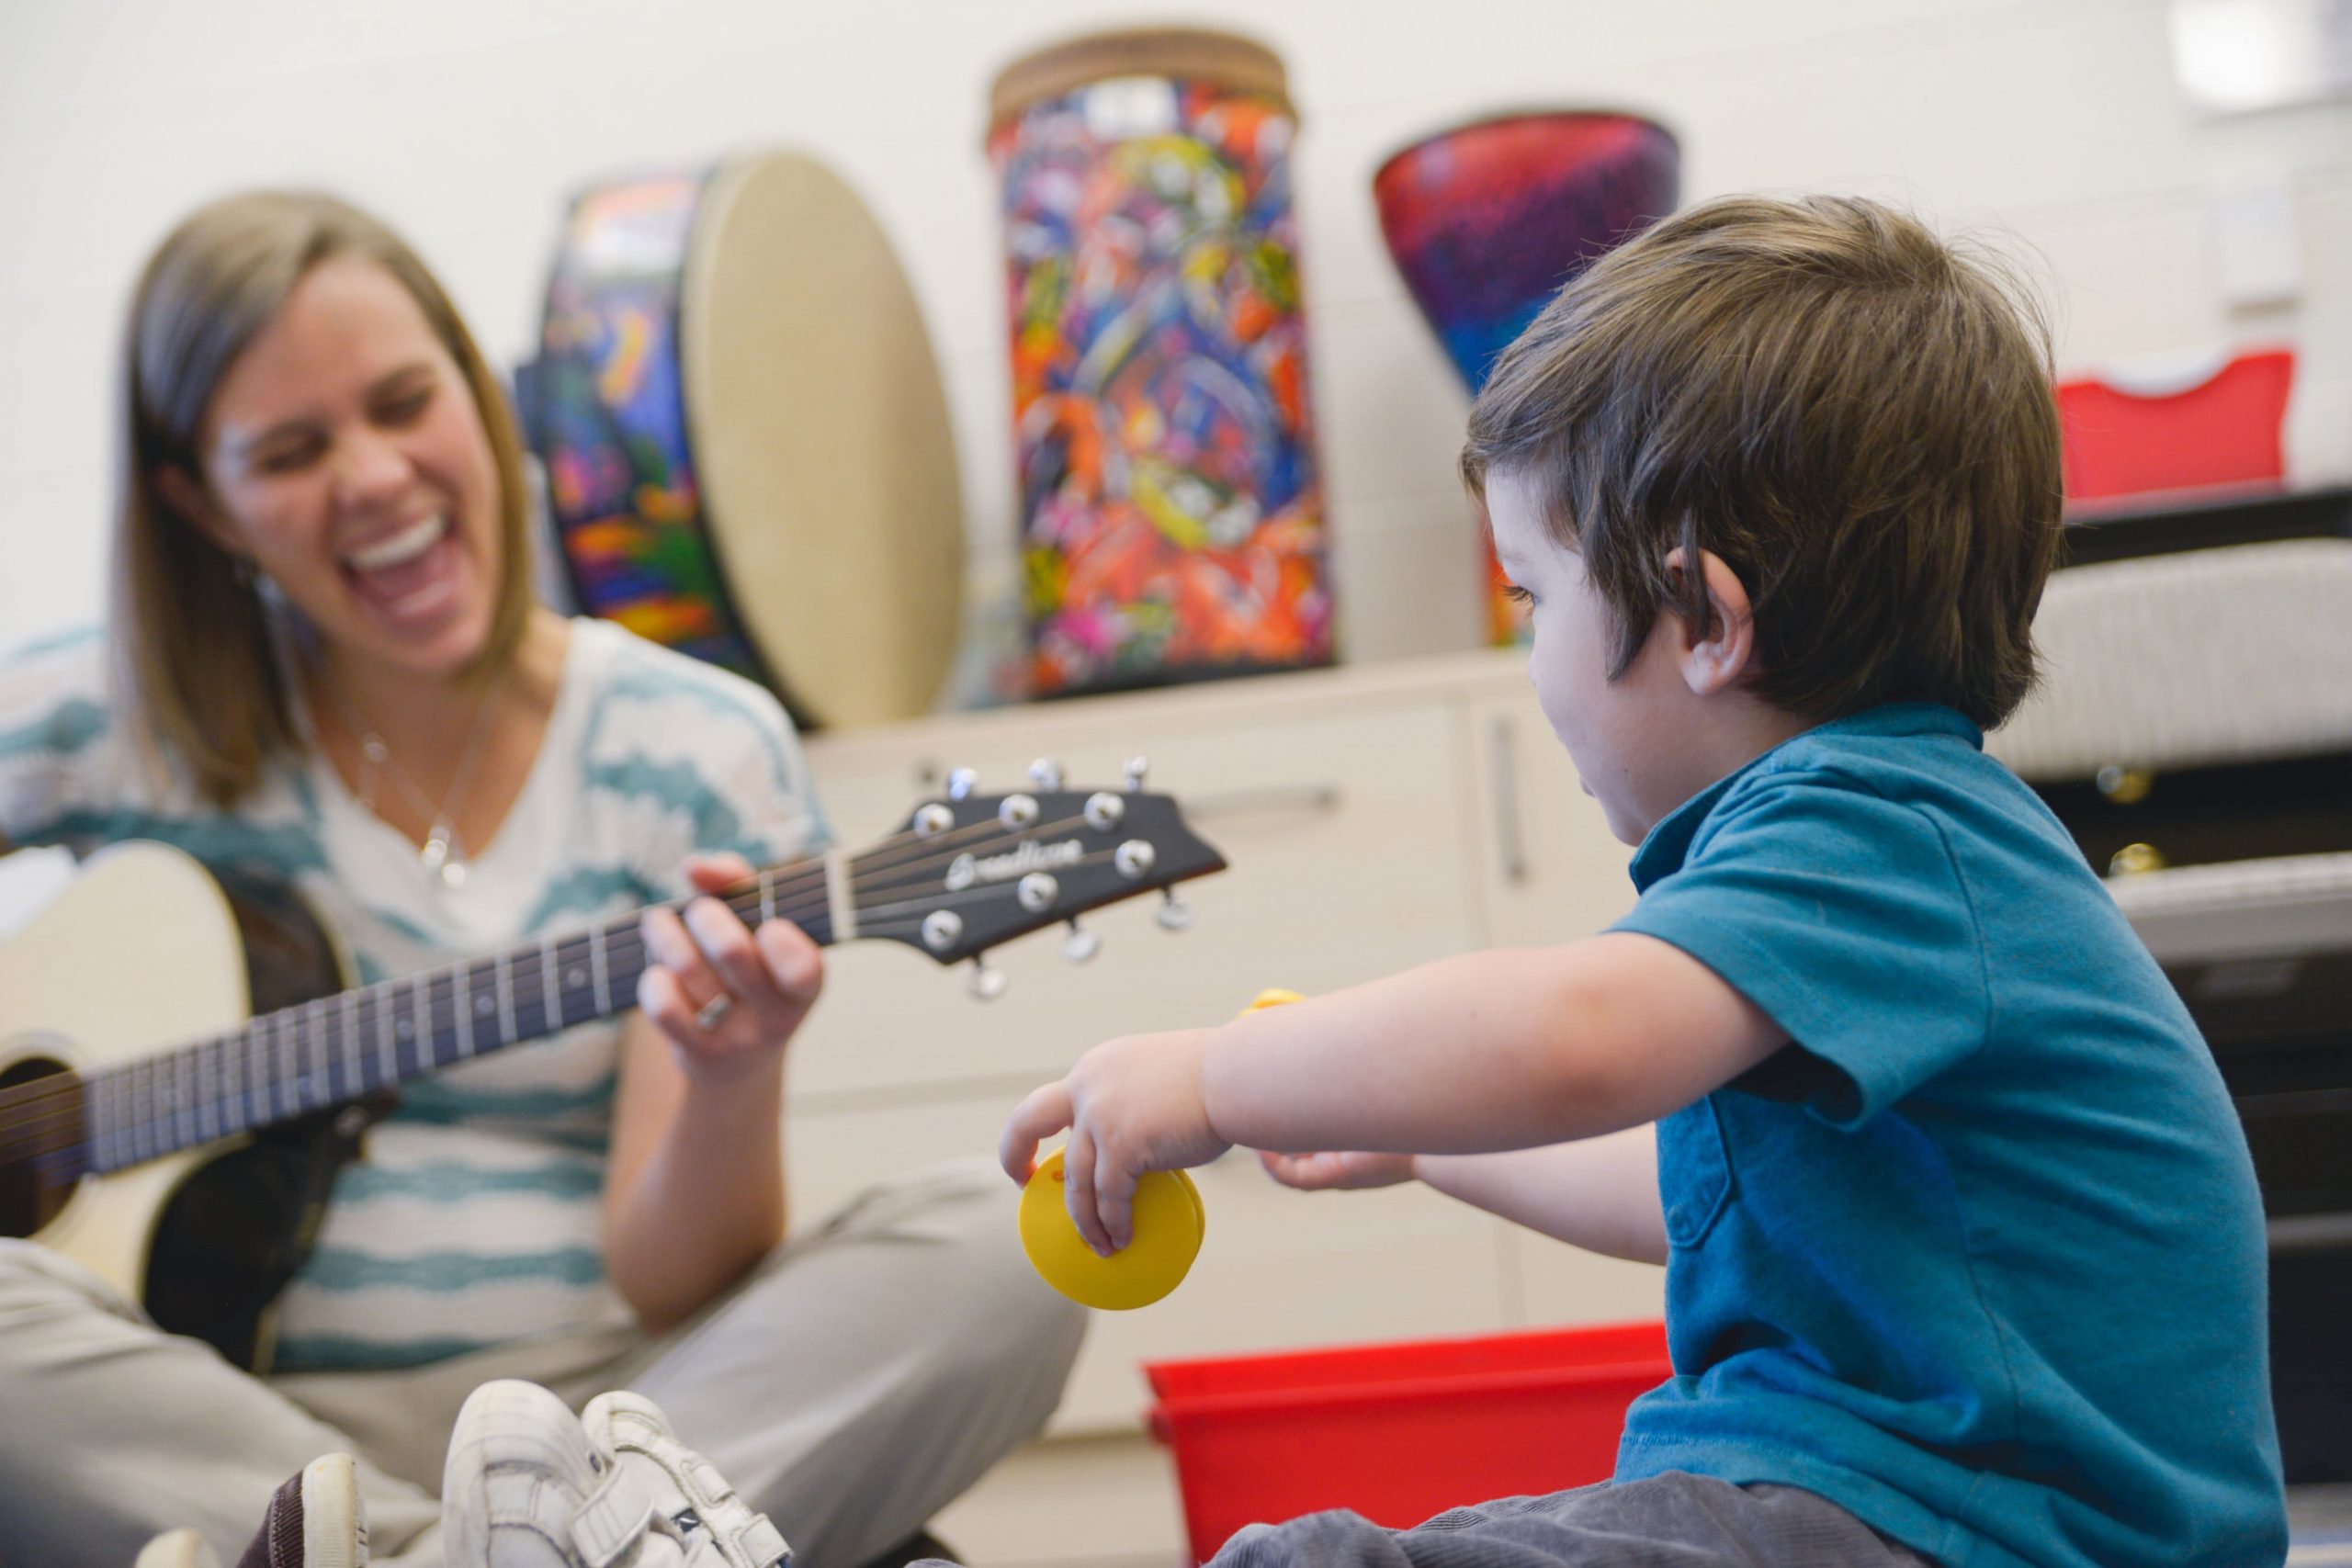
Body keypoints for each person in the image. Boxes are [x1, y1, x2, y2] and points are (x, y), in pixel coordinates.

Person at [993, 196, 2290, 1566]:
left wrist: (1212, 1078)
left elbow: (1575, 1040)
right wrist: (1429, 1141)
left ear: (1704, 617)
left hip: (1986, 1531)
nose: (1531, 656)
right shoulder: (1894, 849)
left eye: (1534, 598)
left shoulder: (1873, 830)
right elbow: (1697, 1191)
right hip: (1916, 1510)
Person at [0, 190, 1083, 1568]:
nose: (376, 474)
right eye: (291, 449)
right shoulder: (120, 718)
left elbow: (672, 1275)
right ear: (198, 502)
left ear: (479, 391)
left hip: (624, 1413)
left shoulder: (694, 745)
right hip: (230, 1431)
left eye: (405, 401)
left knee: (1007, 1239)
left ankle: (491, 1546)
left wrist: (726, 1070)